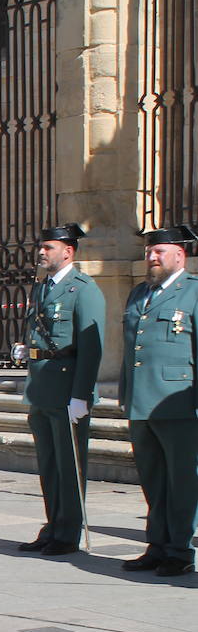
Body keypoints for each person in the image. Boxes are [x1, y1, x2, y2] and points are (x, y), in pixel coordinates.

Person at [16, 225, 105, 554]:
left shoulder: (83, 289)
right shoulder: (41, 288)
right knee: (49, 464)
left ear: (68, 251)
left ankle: (68, 532)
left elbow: (91, 349)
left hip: (68, 387)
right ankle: (53, 525)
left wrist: (81, 395)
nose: (41, 252)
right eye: (41, 247)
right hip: (41, 387)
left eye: (49, 247)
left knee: (69, 465)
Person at [117, 225, 198, 577]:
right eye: (149, 252)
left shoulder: (192, 293)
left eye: (159, 252)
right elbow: (130, 350)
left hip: (178, 403)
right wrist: (125, 392)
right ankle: (157, 544)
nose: (151, 257)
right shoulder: (139, 294)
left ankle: (180, 550)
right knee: (152, 478)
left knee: (182, 480)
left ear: (180, 255)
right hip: (141, 400)